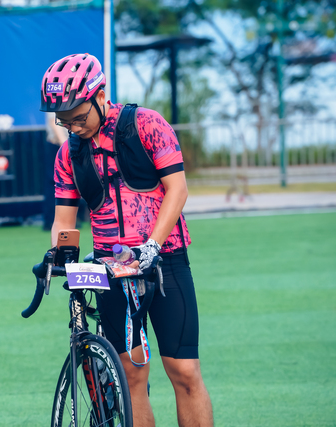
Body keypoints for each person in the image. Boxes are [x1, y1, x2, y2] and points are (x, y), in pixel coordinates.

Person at [38, 53, 214, 426]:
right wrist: (59, 254)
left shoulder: (146, 124)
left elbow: (178, 189)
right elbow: (63, 221)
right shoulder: (68, 154)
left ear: (100, 96)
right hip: (111, 270)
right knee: (130, 377)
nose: (73, 128)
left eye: (78, 117)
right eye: (64, 121)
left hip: (164, 262)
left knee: (184, 371)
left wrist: (152, 246)